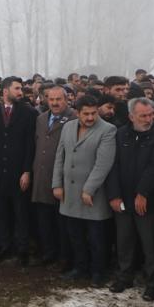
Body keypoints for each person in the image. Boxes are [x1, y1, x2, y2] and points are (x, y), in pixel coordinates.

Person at [52, 95, 117, 287]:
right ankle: (80, 267)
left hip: (93, 195)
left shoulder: (107, 130)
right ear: (77, 113)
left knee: (96, 237)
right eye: (86, 114)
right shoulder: (68, 127)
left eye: (93, 113)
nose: (90, 117)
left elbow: (103, 164)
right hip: (69, 193)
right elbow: (60, 156)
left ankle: (98, 272)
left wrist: (89, 189)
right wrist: (57, 184)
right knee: (75, 235)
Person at [106, 97, 154, 301]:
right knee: (124, 240)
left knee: (150, 244)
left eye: (151, 115)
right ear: (131, 116)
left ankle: (153, 283)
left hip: (146, 200)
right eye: (143, 116)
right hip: (123, 197)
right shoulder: (121, 133)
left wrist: (143, 193)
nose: (148, 119)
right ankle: (124, 277)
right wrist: (113, 195)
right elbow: (112, 166)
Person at [0, 77, 38, 265]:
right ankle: (3, 246)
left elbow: (30, 145)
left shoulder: (29, 113)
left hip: (19, 172)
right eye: (17, 88)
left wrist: (27, 171)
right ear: (5, 91)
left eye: (21, 89)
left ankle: (22, 249)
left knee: (21, 212)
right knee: (0, 212)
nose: (20, 92)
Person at [32, 85, 76, 269]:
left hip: (63, 178)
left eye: (59, 99)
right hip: (41, 176)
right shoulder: (41, 118)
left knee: (63, 222)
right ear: (46, 100)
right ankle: (48, 252)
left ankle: (65, 256)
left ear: (66, 100)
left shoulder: (73, 118)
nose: (55, 103)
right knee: (44, 219)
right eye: (51, 99)